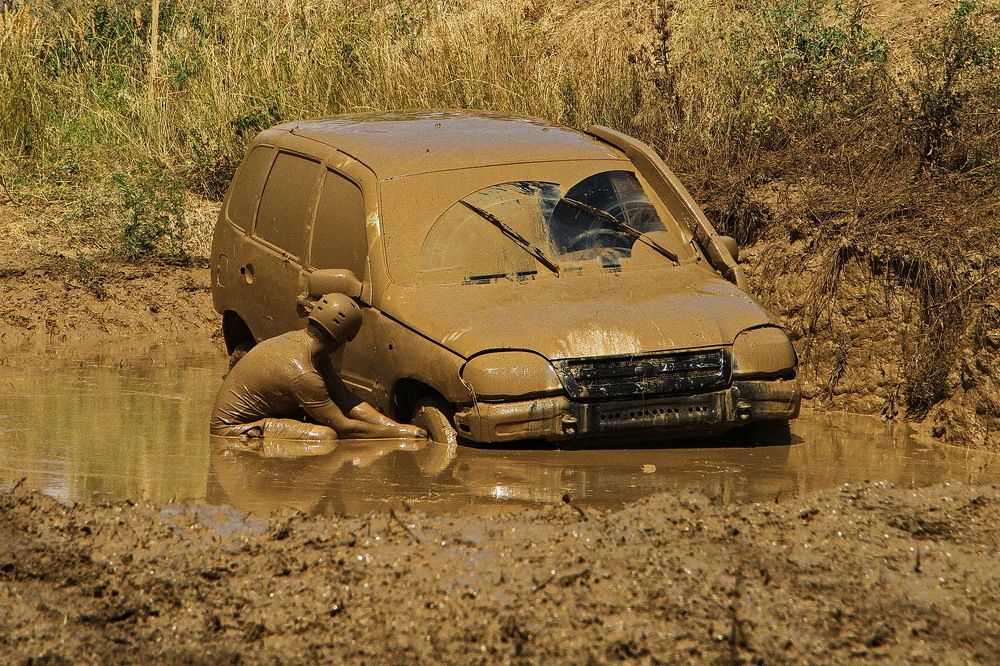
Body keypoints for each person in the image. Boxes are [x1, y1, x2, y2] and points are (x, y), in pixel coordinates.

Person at [210, 293, 427, 441]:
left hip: (250, 419)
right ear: (344, 339)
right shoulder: (303, 373)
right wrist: (400, 435)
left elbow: (345, 399)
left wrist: (393, 426)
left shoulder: (307, 347)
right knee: (325, 437)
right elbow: (344, 427)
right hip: (231, 431)